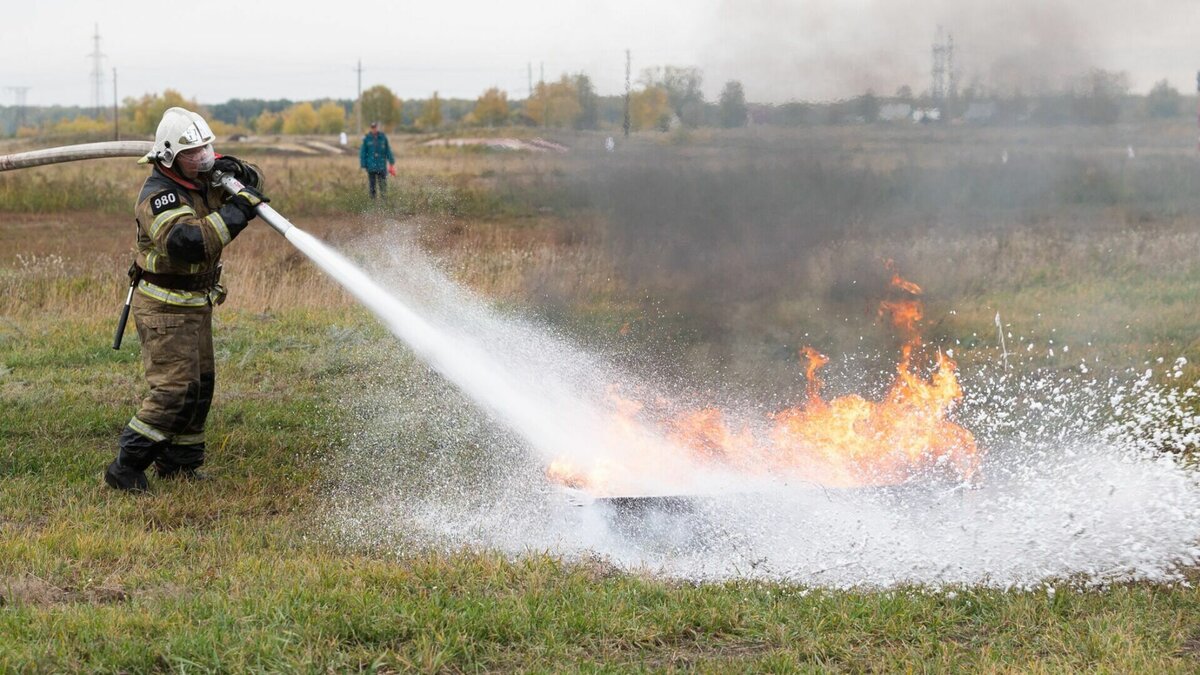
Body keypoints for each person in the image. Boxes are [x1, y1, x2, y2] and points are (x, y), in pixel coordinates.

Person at [104, 107, 269, 492]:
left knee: (200, 387)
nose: (204, 157)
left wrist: (240, 171)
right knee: (174, 390)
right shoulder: (158, 195)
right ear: (170, 156)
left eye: (207, 148)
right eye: (193, 151)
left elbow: (256, 179)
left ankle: (180, 464)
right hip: (165, 307)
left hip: (196, 302)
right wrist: (236, 213)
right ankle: (125, 467)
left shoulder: (202, 179)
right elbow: (187, 243)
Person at [359, 121, 395, 199]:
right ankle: (373, 202)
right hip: (371, 166)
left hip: (381, 165)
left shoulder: (383, 137)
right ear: (371, 128)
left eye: (375, 127)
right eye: (372, 127)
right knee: (372, 186)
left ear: (377, 128)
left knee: (383, 185)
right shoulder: (367, 139)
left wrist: (391, 161)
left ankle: (384, 202)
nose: (374, 129)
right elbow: (363, 152)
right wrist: (363, 164)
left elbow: (387, 150)